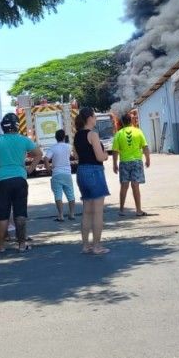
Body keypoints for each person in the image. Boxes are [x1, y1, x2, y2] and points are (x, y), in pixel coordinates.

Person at [0, 112, 42, 253]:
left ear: (3, 127)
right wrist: (30, 168)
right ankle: (21, 245)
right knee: (20, 212)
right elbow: (38, 153)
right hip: (20, 179)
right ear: (17, 126)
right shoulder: (23, 140)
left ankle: (1, 246)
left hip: (2, 180)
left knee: (2, 213)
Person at [74, 107, 110, 254]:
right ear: (89, 118)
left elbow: (76, 156)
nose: (95, 119)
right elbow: (99, 157)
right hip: (94, 172)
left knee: (87, 211)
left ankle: (85, 245)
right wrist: (106, 154)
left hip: (81, 172)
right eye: (94, 117)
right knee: (98, 212)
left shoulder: (77, 136)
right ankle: (97, 246)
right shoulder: (93, 135)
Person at [111, 112, 150, 217]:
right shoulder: (138, 132)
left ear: (122, 122)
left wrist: (114, 164)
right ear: (131, 121)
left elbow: (115, 151)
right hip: (137, 161)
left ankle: (121, 210)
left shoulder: (119, 134)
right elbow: (145, 147)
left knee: (124, 186)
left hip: (124, 162)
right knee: (135, 186)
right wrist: (148, 159)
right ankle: (138, 210)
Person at [46, 129, 76, 222]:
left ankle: (61, 216)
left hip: (56, 174)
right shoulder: (69, 147)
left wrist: (49, 169)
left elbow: (46, 159)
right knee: (70, 195)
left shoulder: (53, 148)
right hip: (67, 173)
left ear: (55, 138)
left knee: (58, 195)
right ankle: (72, 214)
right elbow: (75, 155)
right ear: (64, 137)